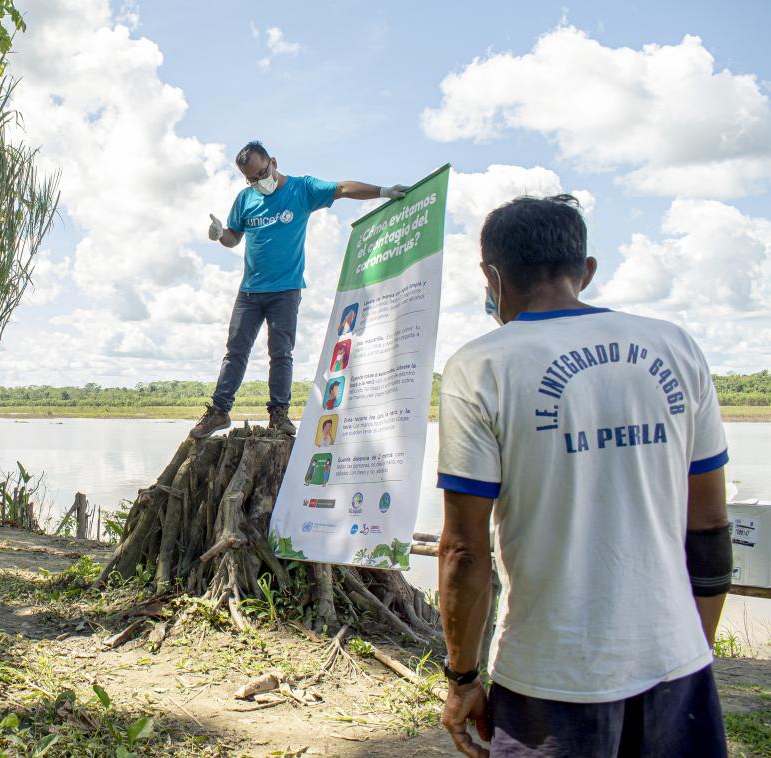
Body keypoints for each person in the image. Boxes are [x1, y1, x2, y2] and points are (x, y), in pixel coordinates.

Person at [436, 195, 730, 757]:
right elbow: (712, 523)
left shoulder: (481, 366)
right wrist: (693, 643)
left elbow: (464, 551)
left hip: (549, 674)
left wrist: (462, 678)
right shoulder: (676, 347)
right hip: (677, 664)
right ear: (586, 270)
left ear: (490, 276)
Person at [191, 141, 408, 439]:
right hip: (250, 292)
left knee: (281, 353)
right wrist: (219, 235)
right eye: (251, 179)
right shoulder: (245, 199)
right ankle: (219, 412)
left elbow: (342, 188)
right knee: (235, 351)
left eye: (261, 174)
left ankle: (279, 414)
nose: (258, 182)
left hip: (286, 290)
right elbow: (233, 238)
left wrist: (382, 191)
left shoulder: (301, 189)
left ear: (274, 163)